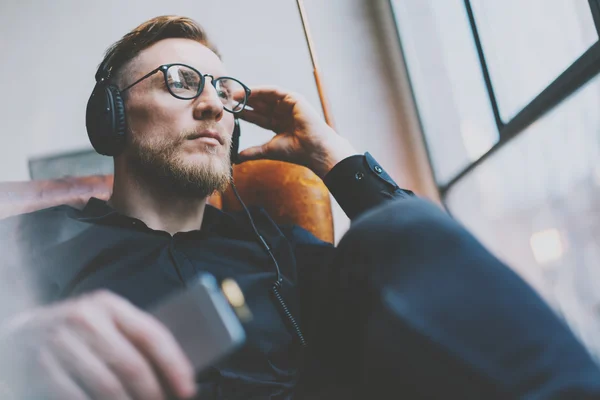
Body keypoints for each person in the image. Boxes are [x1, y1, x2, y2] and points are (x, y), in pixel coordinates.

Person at [0, 15, 599, 400]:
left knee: (394, 232)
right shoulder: (29, 246)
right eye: (181, 82)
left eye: (223, 91)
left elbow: (431, 283)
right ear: (110, 115)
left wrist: (330, 156)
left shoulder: (277, 247)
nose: (213, 105)